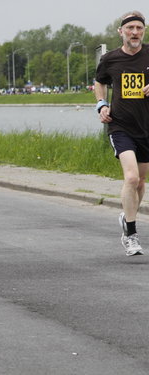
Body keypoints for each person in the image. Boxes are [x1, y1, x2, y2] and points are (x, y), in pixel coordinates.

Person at [95, 11, 149, 256]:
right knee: (130, 177)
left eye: (139, 28)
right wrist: (101, 104)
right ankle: (131, 234)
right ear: (121, 31)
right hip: (120, 126)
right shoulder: (110, 59)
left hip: (146, 128)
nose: (135, 32)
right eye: (130, 28)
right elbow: (100, 82)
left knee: (140, 182)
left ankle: (126, 215)